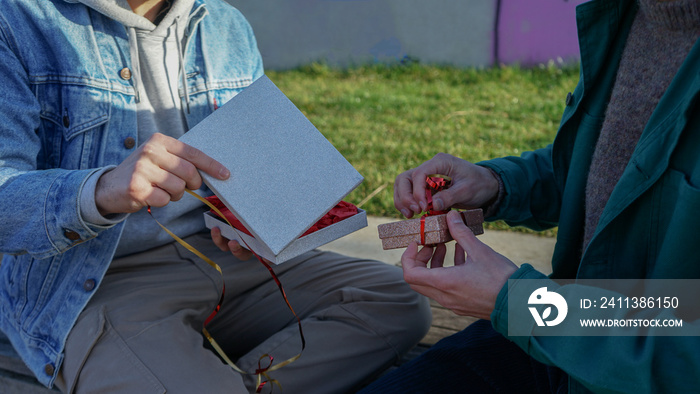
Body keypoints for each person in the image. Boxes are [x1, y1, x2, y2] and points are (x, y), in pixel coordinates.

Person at [0, 0, 431, 393]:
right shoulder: (17, 20)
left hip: (233, 261)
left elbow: (250, 158)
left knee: (400, 300)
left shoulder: (226, 24)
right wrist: (102, 189)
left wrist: (249, 218)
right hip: (95, 281)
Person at [360, 0, 700, 392]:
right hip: (566, 339)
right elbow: (612, 175)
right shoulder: (630, 15)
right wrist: (497, 184)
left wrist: (524, 305)